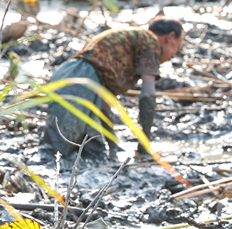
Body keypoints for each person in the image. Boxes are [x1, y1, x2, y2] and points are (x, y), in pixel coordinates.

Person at [41, 17, 185, 160]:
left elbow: (105, 106)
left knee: (93, 152)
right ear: (170, 37)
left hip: (83, 82)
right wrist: (145, 146)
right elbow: (148, 96)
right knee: (55, 151)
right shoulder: (150, 40)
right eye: (178, 46)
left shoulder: (132, 46)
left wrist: (113, 147)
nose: (174, 54)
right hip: (77, 79)